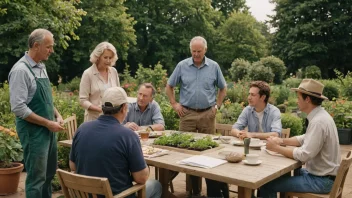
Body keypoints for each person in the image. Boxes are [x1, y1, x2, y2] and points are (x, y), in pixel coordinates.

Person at [70, 87, 162, 198]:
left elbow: (73, 166)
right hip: (118, 196)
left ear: (102, 107)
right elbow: (141, 178)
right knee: (156, 185)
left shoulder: (82, 129)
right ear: (124, 108)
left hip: (85, 195)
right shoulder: (128, 136)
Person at [165, 36, 227, 197]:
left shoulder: (214, 66)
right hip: (187, 114)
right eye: (194, 51)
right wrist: (174, 104)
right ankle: (193, 191)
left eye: (199, 51)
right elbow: (169, 86)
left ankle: (212, 191)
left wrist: (217, 106)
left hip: (207, 114)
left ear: (205, 50)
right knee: (184, 151)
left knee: (208, 152)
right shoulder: (182, 65)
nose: (196, 54)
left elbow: (223, 88)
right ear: (190, 50)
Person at [261, 79, 341, 197]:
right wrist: (281, 141)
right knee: (282, 174)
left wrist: (276, 148)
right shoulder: (321, 116)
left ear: (307, 99)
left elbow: (304, 155)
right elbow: (305, 138)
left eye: (298, 98)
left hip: (320, 181)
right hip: (323, 176)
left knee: (267, 184)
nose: (296, 101)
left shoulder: (318, 122)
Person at [9, 28, 64, 198]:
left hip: (48, 130)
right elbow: (18, 108)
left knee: (48, 175)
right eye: (48, 47)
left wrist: (57, 114)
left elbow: (45, 99)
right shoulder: (20, 71)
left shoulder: (41, 66)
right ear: (36, 45)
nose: (51, 50)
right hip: (33, 133)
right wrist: (48, 123)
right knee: (36, 179)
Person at [79, 41, 120, 122]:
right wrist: (100, 109)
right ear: (98, 57)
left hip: (112, 119)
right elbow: (83, 101)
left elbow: (118, 93)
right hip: (94, 120)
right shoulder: (88, 74)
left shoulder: (114, 72)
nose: (108, 61)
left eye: (110, 58)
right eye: (105, 57)